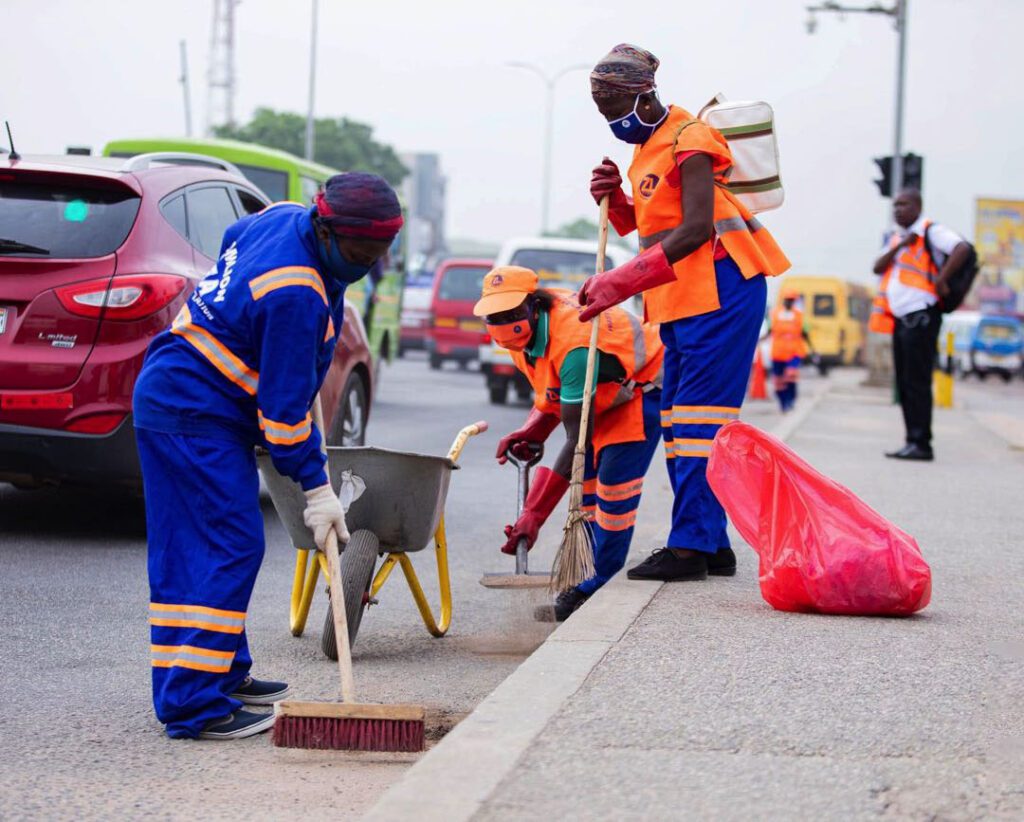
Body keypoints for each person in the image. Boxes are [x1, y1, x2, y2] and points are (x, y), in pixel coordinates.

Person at [132, 173, 402, 740]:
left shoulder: (283, 217)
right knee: (223, 545)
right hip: (190, 410)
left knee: (215, 544)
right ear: (326, 229)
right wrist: (318, 488)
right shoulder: (295, 291)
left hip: (198, 401)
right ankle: (192, 704)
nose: (365, 265)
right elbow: (281, 421)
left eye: (378, 254)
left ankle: (223, 672)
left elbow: (235, 234)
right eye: (358, 253)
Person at [579, 43, 790, 582]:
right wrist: (618, 202)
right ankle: (711, 542)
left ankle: (690, 546)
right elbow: (656, 228)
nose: (612, 121)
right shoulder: (646, 145)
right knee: (679, 421)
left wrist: (618, 281)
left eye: (615, 108)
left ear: (645, 95)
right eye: (603, 112)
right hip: (680, 297)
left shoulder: (690, 137)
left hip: (721, 286)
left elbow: (696, 228)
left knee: (698, 422)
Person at [474, 266, 664, 620]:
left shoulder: (573, 342)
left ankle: (598, 584)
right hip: (603, 391)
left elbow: (578, 441)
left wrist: (534, 515)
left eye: (511, 313)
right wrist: (532, 429)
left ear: (534, 305)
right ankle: (585, 579)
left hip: (641, 386)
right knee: (587, 490)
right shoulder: (518, 339)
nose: (501, 322)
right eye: (493, 316)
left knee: (612, 491)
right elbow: (555, 390)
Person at [870, 188, 971, 461]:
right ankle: (911, 440)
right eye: (895, 205)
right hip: (902, 318)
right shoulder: (898, 238)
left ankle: (922, 443)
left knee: (917, 381)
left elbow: (962, 248)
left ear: (917, 207)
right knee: (904, 382)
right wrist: (901, 246)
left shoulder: (930, 231)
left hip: (922, 315)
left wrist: (942, 280)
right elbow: (877, 267)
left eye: (903, 205)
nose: (897, 210)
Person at [768, 287, 812, 413]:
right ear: (783, 300)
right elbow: (770, 331)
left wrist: (812, 349)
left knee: (790, 377)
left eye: (792, 300)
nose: (789, 302)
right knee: (778, 381)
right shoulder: (775, 314)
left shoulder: (799, 316)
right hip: (778, 353)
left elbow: (805, 333)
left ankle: (790, 400)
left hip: (794, 352)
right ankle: (783, 403)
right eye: (788, 300)